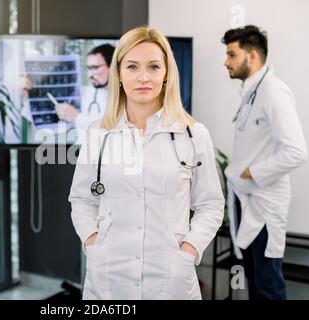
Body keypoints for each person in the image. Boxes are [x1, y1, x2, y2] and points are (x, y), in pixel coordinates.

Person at [69, 27, 224, 300]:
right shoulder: (98, 133)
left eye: (153, 66)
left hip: (170, 277)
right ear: (118, 75)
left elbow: (210, 204)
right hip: (108, 276)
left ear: (166, 74)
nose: (143, 77)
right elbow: (82, 199)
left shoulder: (193, 134)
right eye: (132, 67)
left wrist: (188, 251)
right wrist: (93, 242)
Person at [222, 25, 307, 300]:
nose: (226, 61)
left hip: (264, 205)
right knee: (255, 283)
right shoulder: (251, 93)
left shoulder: (274, 92)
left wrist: (252, 172)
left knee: (268, 287)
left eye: (232, 54)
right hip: (247, 202)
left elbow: (296, 151)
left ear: (253, 56)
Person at [55, 44, 115, 134]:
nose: (90, 75)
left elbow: (111, 134)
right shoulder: (89, 91)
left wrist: (76, 118)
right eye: (89, 68)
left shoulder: (127, 98)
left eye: (95, 68)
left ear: (113, 66)